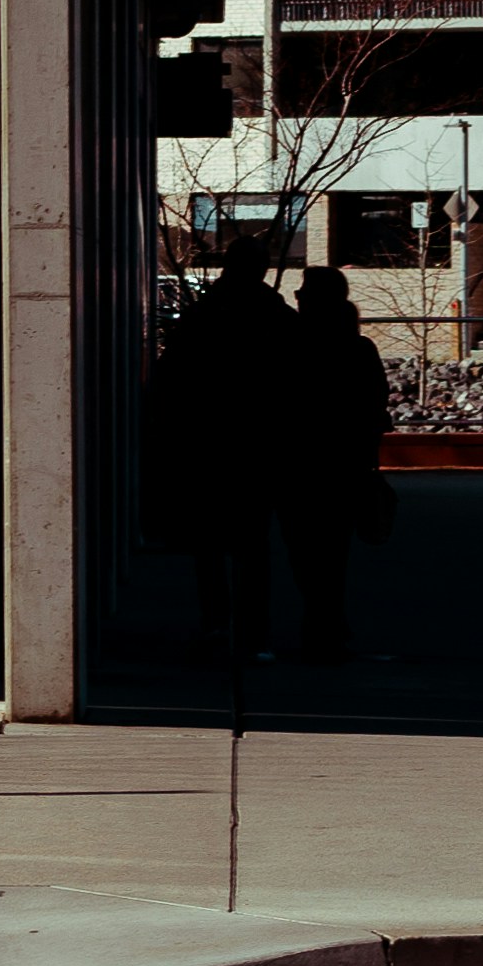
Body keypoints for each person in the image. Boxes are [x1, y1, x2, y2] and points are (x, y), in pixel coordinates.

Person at [143, 236, 326, 677]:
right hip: (261, 447)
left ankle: (215, 625)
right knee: (253, 544)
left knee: (208, 542)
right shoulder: (279, 319)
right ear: (262, 269)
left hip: (207, 445)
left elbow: (170, 383)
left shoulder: (202, 317)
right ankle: (254, 633)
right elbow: (304, 389)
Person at [290, 263, 391, 660]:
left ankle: (321, 621)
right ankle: (328, 623)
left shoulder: (292, 346)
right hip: (346, 462)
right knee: (333, 549)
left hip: (301, 460)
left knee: (305, 548)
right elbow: (375, 404)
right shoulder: (358, 348)